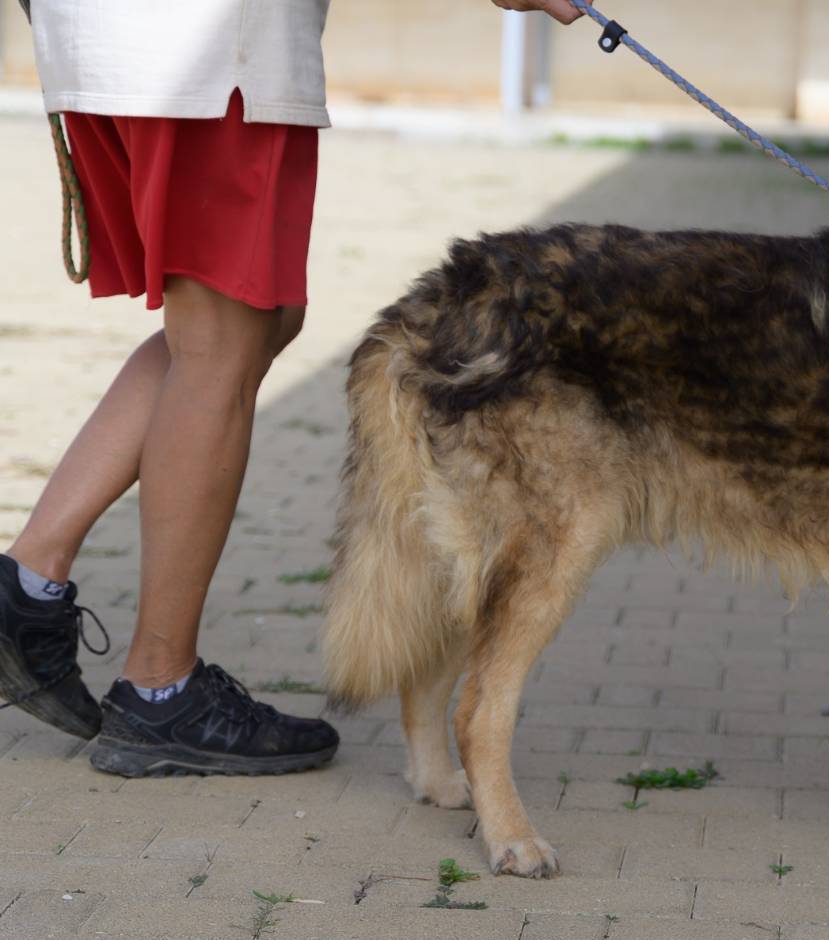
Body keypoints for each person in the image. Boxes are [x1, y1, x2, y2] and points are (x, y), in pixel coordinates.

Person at [0, 0, 581, 777]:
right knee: (219, 342)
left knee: (255, 321)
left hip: (113, 38)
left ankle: (27, 585)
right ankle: (160, 689)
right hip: (206, 50)